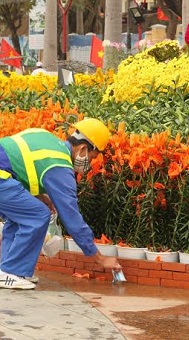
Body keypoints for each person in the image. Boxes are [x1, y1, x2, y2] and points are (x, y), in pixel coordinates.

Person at [0, 118, 122, 289]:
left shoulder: (49, 140)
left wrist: (39, 196)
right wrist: (100, 259)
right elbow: (72, 219)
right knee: (37, 215)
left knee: (21, 216)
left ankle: (10, 271)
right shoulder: (60, 165)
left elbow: (18, 163)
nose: (90, 163)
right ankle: (10, 272)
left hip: (4, 178)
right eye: (92, 157)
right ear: (83, 148)